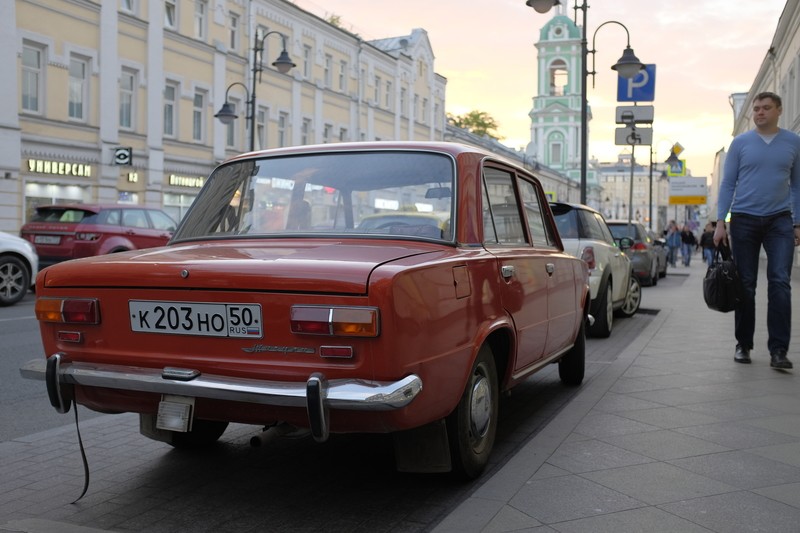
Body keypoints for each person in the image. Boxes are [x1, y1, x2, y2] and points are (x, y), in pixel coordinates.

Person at [714, 91, 800, 370]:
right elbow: (728, 185)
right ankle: (743, 344)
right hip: (744, 220)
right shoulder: (740, 144)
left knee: (780, 283)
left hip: (780, 221)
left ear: (779, 110)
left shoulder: (793, 143)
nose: (760, 113)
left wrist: (797, 222)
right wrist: (720, 223)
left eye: (766, 108)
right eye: (757, 109)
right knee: (746, 285)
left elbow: (797, 186)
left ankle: (778, 351)